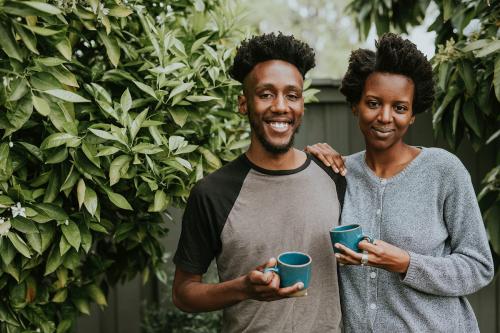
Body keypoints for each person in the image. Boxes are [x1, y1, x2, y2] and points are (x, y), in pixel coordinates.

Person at [306, 33, 494, 332]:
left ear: (413, 115)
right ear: (355, 105)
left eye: (400, 107)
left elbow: (479, 268)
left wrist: (406, 263)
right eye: (373, 103)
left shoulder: (443, 171)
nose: (385, 117)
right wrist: (305, 161)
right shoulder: (338, 173)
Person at [172, 32, 345, 332]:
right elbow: (183, 293)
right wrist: (243, 288)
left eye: (292, 95)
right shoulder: (213, 193)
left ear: (302, 105)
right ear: (243, 103)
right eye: (266, 94)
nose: (280, 106)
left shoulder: (333, 175)